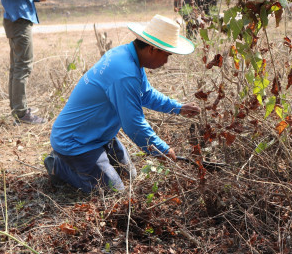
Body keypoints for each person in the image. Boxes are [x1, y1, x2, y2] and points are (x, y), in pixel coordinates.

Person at [45, 15, 201, 193]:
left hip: (98, 135)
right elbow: (133, 124)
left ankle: (88, 163)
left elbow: (146, 94)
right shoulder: (125, 72)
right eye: (166, 55)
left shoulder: (128, 56)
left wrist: (178, 107)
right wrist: (162, 150)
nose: (166, 62)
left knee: (130, 176)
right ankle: (57, 166)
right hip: (75, 141)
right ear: (152, 49)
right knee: (114, 191)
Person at [0, 0, 51, 124]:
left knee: (16, 67)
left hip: (17, 19)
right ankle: (21, 113)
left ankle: (17, 111)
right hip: (19, 21)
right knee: (23, 66)